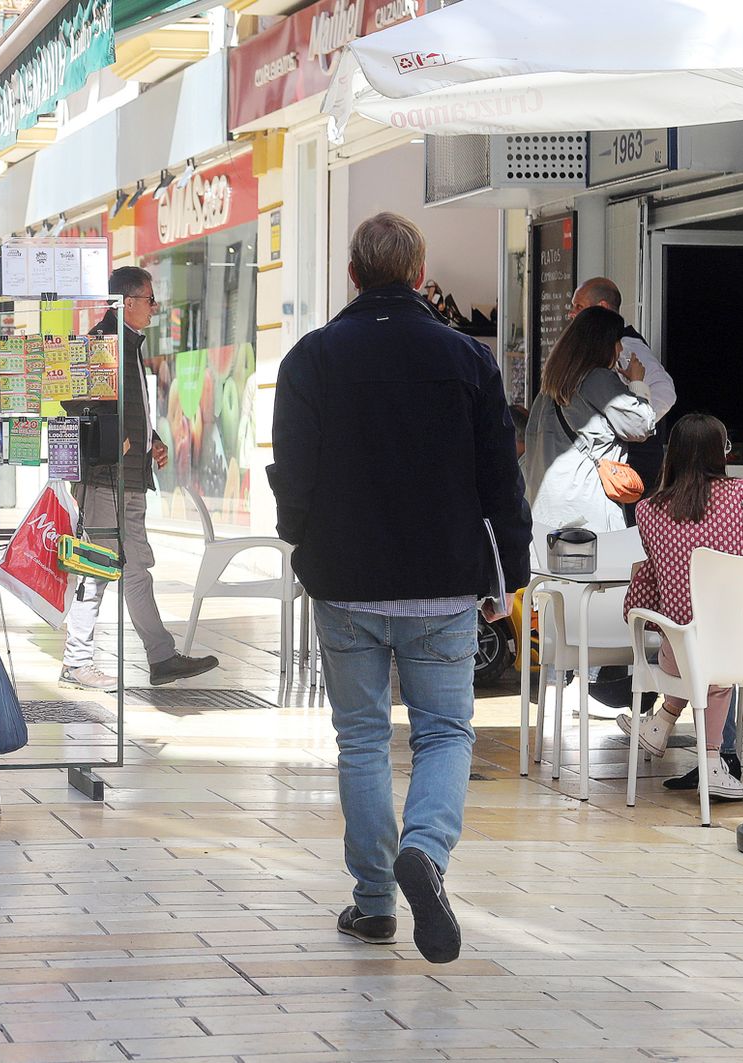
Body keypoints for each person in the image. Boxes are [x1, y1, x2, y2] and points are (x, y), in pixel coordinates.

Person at [269, 212, 531, 964]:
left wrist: (302, 537)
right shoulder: (466, 359)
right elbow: (500, 482)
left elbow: (295, 471)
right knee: (445, 732)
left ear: (353, 275)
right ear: (420, 276)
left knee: (360, 737)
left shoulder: (311, 358)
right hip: (444, 584)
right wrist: (506, 573)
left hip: (345, 583)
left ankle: (376, 901)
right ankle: (425, 848)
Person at [58, 266, 219, 692]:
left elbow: (127, 408)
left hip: (129, 479)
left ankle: (162, 657)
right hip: (104, 479)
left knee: (136, 570)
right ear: (127, 302)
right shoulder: (99, 343)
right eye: (149, 299)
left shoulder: (129, 345)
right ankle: (77, 661)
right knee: (97, 567)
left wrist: (150, 439)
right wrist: (116, 442)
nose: (155, 308)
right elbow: (73, 402)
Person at [618, 413, 743, 801]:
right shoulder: (742, 494)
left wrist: (635, 613)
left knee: (698, 655)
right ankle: (709, 760)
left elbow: (649, 581)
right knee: (716, 665)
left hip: (681, 652)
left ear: (670, 455)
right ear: (719, 454)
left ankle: (662, 724)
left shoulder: (648, 511)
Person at [523, 307, 656, 533]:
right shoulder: (598, 379)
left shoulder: (548, 390)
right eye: (617, 340)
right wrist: (637, 384)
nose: (621, 347)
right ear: (602, 343)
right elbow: (640, 425)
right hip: (587, 506)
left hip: (545, 507)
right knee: (599, 567)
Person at [570, 276, 677, 495]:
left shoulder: (626, 346)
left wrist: (630, 428)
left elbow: (665, 392)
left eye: (578, 307)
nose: (572, 314)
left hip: (631, 469)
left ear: (601, 308)